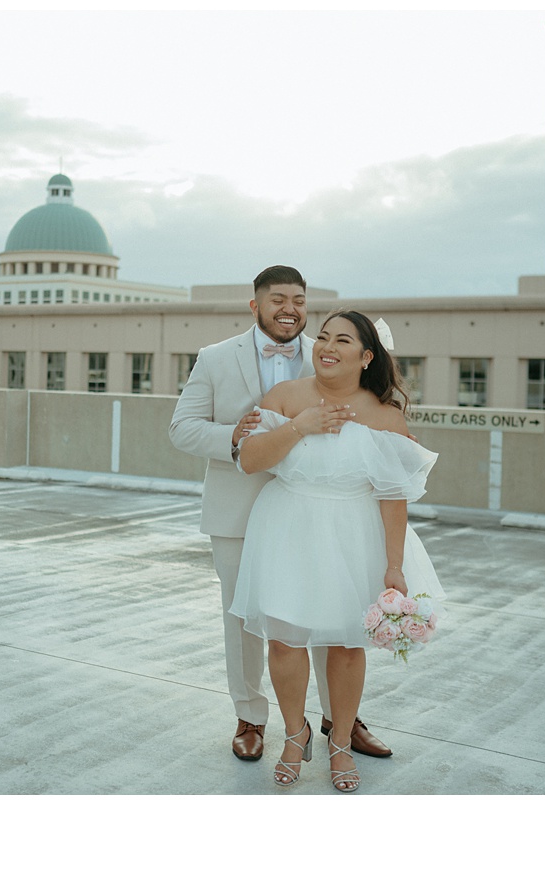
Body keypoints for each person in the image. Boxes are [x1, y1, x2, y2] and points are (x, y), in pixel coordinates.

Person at [169, 267, 394, 763]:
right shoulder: (214, 358)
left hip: (314, 512)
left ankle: (341, 720)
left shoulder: (332, 351)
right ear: (255, 305)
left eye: (298, 299)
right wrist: (235, 435)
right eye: (277, 300)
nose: (288, 308)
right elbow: (181, 429)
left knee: (330, 614)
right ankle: (251, 717)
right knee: (245, 622)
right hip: (236, 512)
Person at [229, 310, 443, 792]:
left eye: (342, 340)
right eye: (322, 336)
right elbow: (250, 462)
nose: (326, 346)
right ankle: (294, 733)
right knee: (284, 641)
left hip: (353, 534)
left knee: (347, 646)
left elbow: (393, 496)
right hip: (287, 527)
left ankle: (341, 743)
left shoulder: (386, 416)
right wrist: (300, 426)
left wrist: (394, 566)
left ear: (367, 357)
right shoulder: (287, 397)